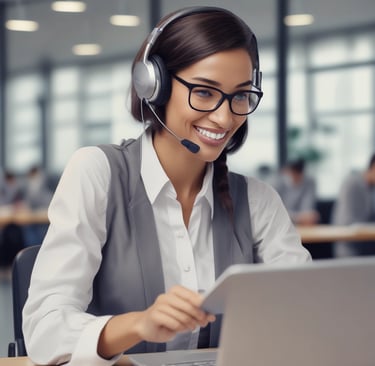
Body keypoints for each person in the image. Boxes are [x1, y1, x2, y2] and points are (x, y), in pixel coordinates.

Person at [23, 7, 311, 366]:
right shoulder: (97, 172)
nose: (225, 117)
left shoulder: (258, 201)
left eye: (240, 96)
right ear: (153, 86)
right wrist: (138, 325)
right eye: (204, 92)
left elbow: (308, 313)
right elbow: (44, 328)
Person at [332, 153, 375, 257]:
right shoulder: (352, 183)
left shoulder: (372, 188)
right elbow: (346, 222)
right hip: (349, 246)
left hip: (368, 245)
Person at [270, 158, 320, 226]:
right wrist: (298, 217)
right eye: (292, 173)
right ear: (285, 171)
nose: (295, 176)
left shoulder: (309, 182)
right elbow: (275, 213)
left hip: (302, 226)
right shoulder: (276, 183)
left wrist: (303, 217)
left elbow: (307, 212)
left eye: (298, 173)